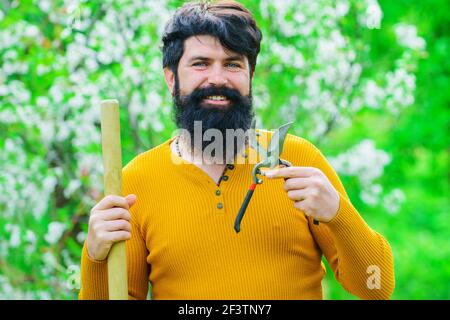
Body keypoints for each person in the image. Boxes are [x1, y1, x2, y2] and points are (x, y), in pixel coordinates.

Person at [79, 0, 394, 300]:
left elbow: (376, 287)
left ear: (250, 76)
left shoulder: (298, 161)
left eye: (232, 64)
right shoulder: (136, 182)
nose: (218, 78)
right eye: (200, 64)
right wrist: (95, 255)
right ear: (171, 79)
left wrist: (339, 215)